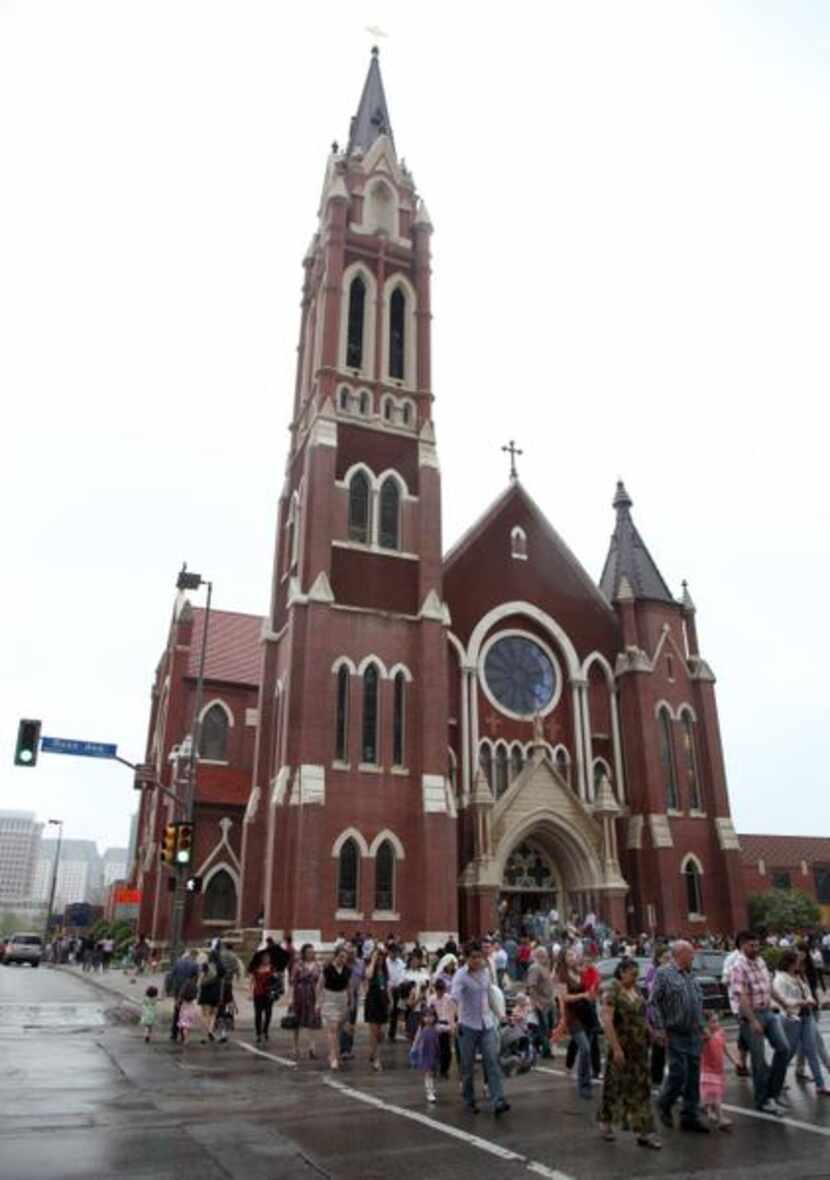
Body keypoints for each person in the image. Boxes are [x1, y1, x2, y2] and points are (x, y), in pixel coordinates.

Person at [597, 957, 661, 1150]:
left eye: (637, 974)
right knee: (615, 1087)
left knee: (642, 1089)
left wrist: (652, 1033)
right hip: (622, 1049)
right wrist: (616, 1048)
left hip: (640, 1049)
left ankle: (645, 1133)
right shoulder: (613, 991)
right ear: (622, 972)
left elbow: (642, 1016)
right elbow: (607, 1021)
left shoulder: (637, 990)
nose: (636, 978)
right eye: (633, 974)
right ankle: (606, 1123)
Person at [729, 930, 791, 1114]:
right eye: (751, 945)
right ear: (742, 946)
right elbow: (741, 997)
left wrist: (784, 1003)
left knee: (783, 1048)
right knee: (758, 1061)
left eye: (757, 945)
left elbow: (768, 987)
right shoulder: (737, 967)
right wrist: (753, 1020)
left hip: (768, 1011)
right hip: (751, 1015)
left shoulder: (761, 961)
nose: (756, 948)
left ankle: (773, 1093)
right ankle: (762, 1101)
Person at [651, 940, 709, 1133]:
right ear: (680, 954)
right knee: (679, 1073)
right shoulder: (663, 973)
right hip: (674, 1032)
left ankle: (689, 1116)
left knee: (693, 1076)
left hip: (693, 1031)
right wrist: (659, 1028)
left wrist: (704, 1027)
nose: (693, 957)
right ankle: (664, 1103)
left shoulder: (691, 974)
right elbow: (654, 1003)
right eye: (691, 953)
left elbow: (698, 1002)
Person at [451, 941, 510, 1116]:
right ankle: (469, 1099)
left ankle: (498, 1100)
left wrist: (500, 1014)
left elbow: (489, 994)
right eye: (473, 957)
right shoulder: (460, 976)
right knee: (467, 1067)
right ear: (466, 958)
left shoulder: (485, 971)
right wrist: (452, 1021)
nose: (477, 960)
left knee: (492, 1061)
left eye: (479, 957)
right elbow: (453, 999)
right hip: (468, 1026)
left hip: (487, 1024)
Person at [772, 949, 829, 1095]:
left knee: (811, 1050)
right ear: (789, 962)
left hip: (807, 1016)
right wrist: (801, 1002)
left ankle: (820, 1085)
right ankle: (777, 1078)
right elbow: (782, 999)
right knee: (789, 1051)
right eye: (797, 961)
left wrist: (809, 1000)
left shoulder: (799, 976)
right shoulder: (780, 979)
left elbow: (808, 992)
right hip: (792, 1018)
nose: (799, 963)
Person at [553, 948, 594, 1099]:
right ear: (563, 958)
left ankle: (585, 1082)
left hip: (586, 1013)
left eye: (574, 954)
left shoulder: (580, 971)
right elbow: (564, 997)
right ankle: (584, 1085)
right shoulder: (561, 976)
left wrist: (591, 994)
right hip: (573, 1016)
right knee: (585, 1048)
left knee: (587, 1051)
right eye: (569, 954)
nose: (572, 957)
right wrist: (583, 995)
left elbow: (592, 986)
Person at [700, 1011, 741, 1128]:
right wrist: (704, 1033)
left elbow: (726, 1049)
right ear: (706, 1024)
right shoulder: (705, 1037)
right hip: (708, 1072)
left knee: (712, 1095)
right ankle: (721, 1119)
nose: (716, 1024)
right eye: (713, 1022)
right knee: (716, 1096)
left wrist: (735, 1060)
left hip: (718, 1071)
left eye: (717, 1021)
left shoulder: (721, 1033)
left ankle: (707, 1109)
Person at [317, 945, 351, 1071]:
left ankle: (334, 1053)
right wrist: (318, 1002)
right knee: (333, 1028)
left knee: (339, 1029)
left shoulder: (347, 970)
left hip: (342, 999)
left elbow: (348, 986)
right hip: (329, 999)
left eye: (345, 957)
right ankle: (333, 1057)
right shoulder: (328, 969)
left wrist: (350, 1000)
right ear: (336, 956)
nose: (343, 959)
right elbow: (319, 985)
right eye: (341, 957)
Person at [288, 943, 321, 1060]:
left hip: (313, 996)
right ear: (304, 953)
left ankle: (312, 1047)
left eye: (313, 952)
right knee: (296, 1022)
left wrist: (320, 999)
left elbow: (320, 983)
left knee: (312, 1022)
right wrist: (290, 998)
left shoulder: (318, 965)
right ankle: (295, 1046)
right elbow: (292, 983)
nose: (311, 954)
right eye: (309, 952)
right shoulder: (298, 965)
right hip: (299, 995)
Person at [644, 944, 670, 1086]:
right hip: (655, 1015)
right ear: (658, 959)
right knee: (658, 1048)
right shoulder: (652, 972)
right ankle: (656, 1078)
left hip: (669, 1015)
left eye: (669, 958)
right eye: (665, 958)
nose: (668, 960)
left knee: (669, 1048)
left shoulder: (671, 971)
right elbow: (653, 994)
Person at [526, 946, 556, 1059]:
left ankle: (538, 1045)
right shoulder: (535, 968)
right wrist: (535, 1002)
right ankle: (546, 1051)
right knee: (544, 1028)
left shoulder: (546, 967)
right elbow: (531, 987)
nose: (546, 958)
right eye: (543, 955)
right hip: (541, 1003)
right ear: (538, 956)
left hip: (550, 1002)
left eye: (546, 955)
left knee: (550, 1027)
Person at [364, 945, 390, 1070]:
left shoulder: (384, 971)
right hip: (373, 1002)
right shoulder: (371, 968)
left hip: (383, 1002)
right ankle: (377, 1059)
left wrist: (390, 1002)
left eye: (382, 956)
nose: (380, 958)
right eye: (378, 955)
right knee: (374, 1032)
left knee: (381, 1033)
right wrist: (373, 960)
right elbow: (368, 976)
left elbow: (387, 986)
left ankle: (372, 1051)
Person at [166, 948, 199, 1042]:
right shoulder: (195, 965)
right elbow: (195, 979)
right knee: (186, 1012)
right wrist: (195, 991)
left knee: (177, 1011)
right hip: (188, 991)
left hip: (177, 990)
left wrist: (169, 989)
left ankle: (174, 1033)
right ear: (193, 956)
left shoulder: (177, 962)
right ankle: (183, 1032)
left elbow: (171, 976)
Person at [410, 1004, 441, 1103]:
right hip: (425, 1053)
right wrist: (413, 1049)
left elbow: (445, 1029)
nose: (429, 1018)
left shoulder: (436, 1027)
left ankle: (431, 1087)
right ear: (422, 1018)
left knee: (432, 1071)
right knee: (428, 1073)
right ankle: (429, 1091)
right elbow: (417, 1039)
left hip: (434, 1053)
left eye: (431, 1016)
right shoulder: (422, 1029)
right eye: (426, 1016)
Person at [248, 946, 277, 1045]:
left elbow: (277, 981)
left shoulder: (273, 968)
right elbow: (252, 981)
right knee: (258, 1014)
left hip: (269, 994)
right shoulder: (255, 968)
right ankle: (258, 1034)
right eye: (265, 958)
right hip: (258, 993)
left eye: (268, 958)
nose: (266, 959)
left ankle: (265, 1030)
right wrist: (250, 993)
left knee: (268, 1013)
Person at [197, 945, 225, 1043]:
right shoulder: (220, 967)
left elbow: (200, 979)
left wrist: (199, 989)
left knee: (205, 1014)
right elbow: (222, 982)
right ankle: (210, 1031)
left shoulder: (205, 965)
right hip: (216, 992)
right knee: (213, 1015)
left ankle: (204, 1036)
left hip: (206, 992)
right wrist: (221, 995)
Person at [386, 943, 406, 1042]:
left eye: (396, 952)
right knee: (387, 1011)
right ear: (389, 952)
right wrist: (390, 985)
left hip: (398, 989)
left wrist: (399, 984)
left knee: (395, 1012)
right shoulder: (385, 962)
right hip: (387, 990)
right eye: (393, 952)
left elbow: (403, 974)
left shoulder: (400, 962)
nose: (394, 954)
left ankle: (392, 1034)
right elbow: (385, 977)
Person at [177, 978, 200, 1045]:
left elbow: (180, 997)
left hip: (185, 1010)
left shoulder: (184, 999)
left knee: (184, 1027)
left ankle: (185, 1039)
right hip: (191, 1011)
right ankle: (186, 1038)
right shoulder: (193, 996)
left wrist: (178, 1003)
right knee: (187, 1026)